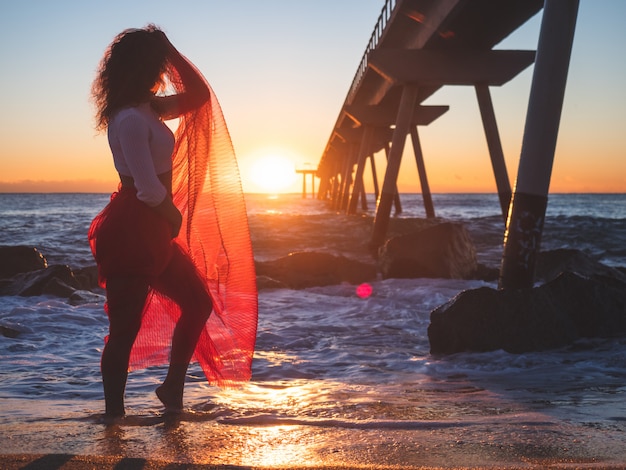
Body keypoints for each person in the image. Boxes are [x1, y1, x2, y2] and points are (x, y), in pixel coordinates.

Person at [89, 25, 258, 419]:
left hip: (151, 229)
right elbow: (147, 187)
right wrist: (173, 215)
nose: (159, 73)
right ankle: (114, 415)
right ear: (138, 68)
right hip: (134, 228)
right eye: (154, 64)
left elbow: (198, 97)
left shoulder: (150, 108)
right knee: (125, 332)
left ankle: (172, 389)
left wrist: (170, 50)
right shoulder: (130, 118)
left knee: (197, 303)